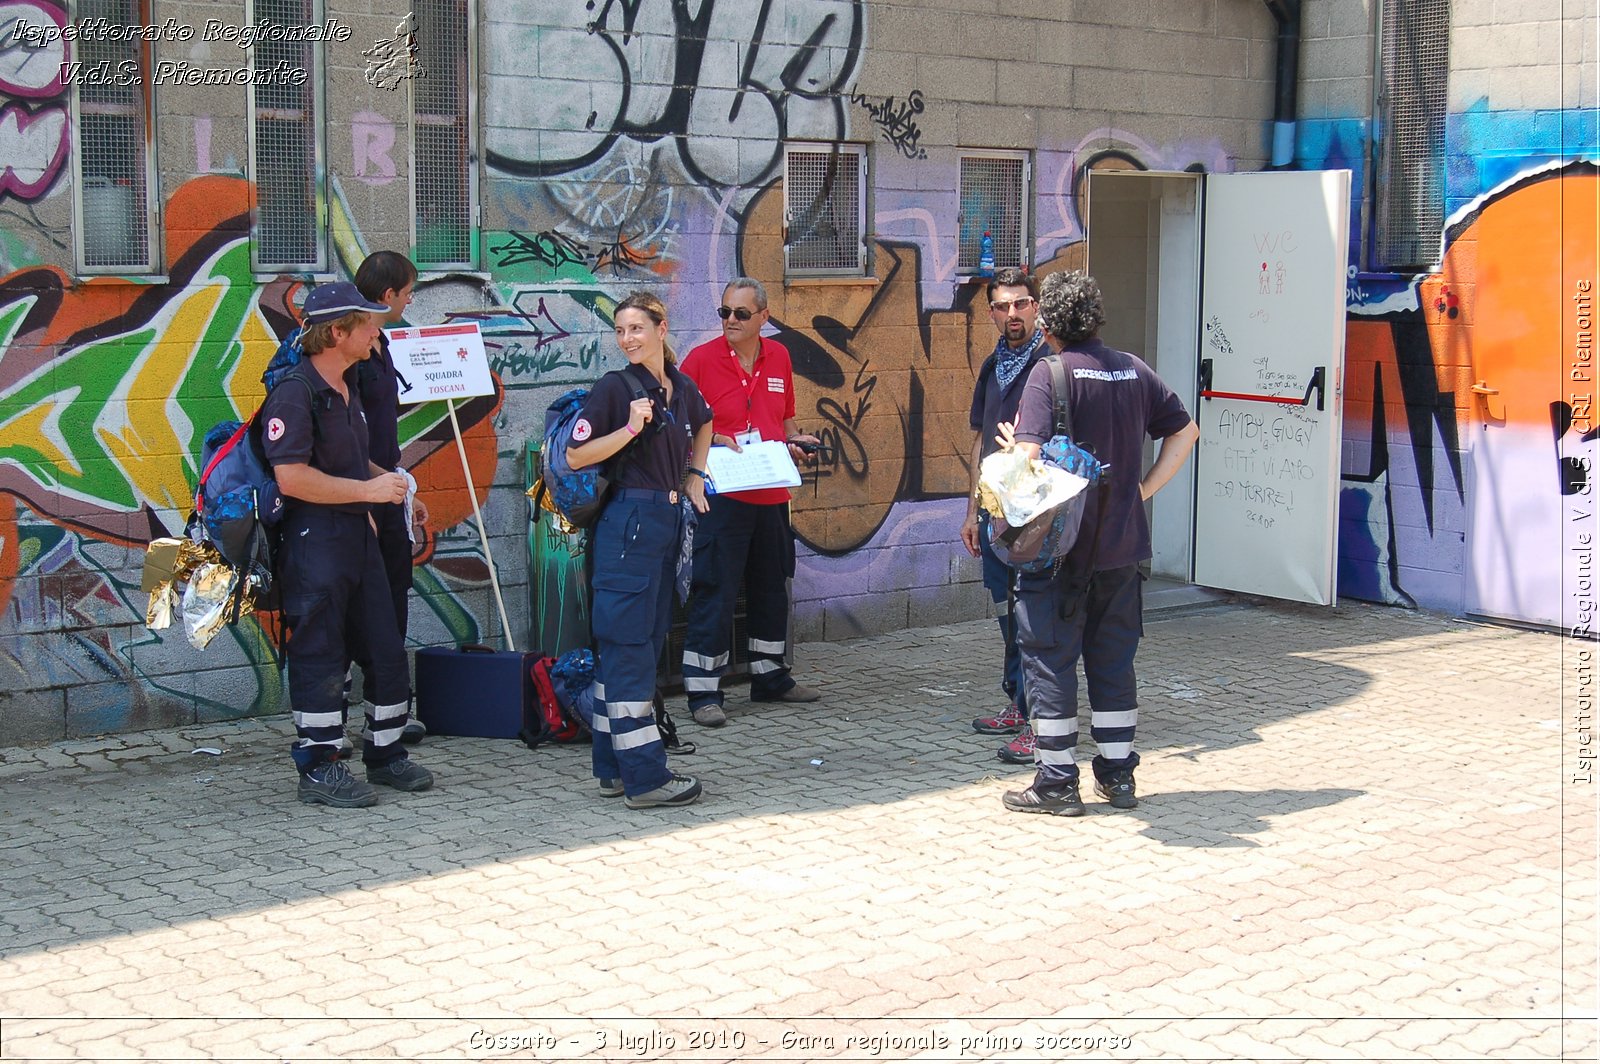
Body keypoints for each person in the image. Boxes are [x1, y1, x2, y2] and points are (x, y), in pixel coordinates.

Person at [996, 271, 1198, 816]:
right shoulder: (1134, 370)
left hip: (1063, 554)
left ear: (1049, 322)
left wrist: (1014, 447)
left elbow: (1028, 465)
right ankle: (1118, 778)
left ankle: (1057, 782)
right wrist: (1143, 490)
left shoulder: (1049, 374)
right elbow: (1186, 431)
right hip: (1124, 548)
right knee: (1113, 664)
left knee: (1049, 661)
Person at [262, 282, 435, 807]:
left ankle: (385, 753)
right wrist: (367, 490)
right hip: (317, 543)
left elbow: (355, 461)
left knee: (383, 644)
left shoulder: (348, 384)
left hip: (360, 535)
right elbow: (291, 477)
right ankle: (318, 767)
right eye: (368, 324)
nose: (377, 332)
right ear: (337, 333)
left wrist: (396, 485)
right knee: (321, 654)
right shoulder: (294, 393)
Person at [567, 292, 713, 808]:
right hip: (627, 526)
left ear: (661, 327)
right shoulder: (615, 388)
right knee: (628, 649)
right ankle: (646, 778)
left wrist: (695, 475)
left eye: (637, 328)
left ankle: (612, 769)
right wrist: (629, 427)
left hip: (665, 522)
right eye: (621, 330)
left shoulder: (679, 386)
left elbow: (707, 421)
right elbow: (576, 453)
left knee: (639, 649)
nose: (628, 339)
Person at [678, 278, 822, 727]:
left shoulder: (779, 356)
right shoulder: (700, 361)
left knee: (771, 585)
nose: (731, 322)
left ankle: (770, 677)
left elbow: (784, 418)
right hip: (721, 494)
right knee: (715, 589)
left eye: (741, 314)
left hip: (772, 490)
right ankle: (703, 691)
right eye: (725, 312)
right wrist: (712, 439)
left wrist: (796, 441)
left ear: (763, 316)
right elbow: (677, 425)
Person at [960, 267, 1050, 763]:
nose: (1011, 314)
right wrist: (972, 510)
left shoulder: (1051, 365)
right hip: (996, 515)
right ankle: (1018, 703)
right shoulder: (994, 365)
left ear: (1036, 306)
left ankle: (1043, 721)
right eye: (1001, 306)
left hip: (1039, 518)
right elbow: (979, 440)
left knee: (1035, 618)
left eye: (1020, 303)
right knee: (1007, 614)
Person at [353, 252, 428, 744]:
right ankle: (360, 722)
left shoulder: (380, 344)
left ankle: (386, 712)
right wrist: (385, 483)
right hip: (361, 497)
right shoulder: (350, 354)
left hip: (388, 490)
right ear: (387, 297)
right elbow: (346, 442)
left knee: (395, 601)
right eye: (407, 292)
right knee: (362, 610)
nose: (411, 299)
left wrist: (404, 487)